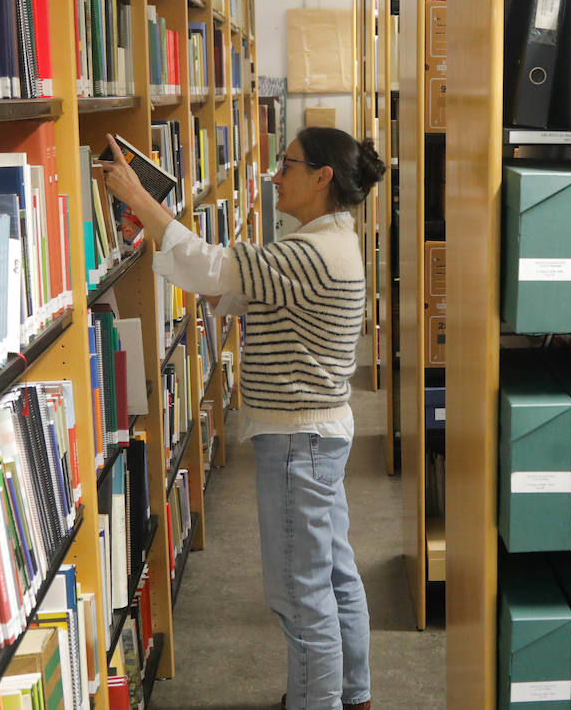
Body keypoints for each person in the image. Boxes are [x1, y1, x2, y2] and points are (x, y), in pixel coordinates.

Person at [100, 126, 385, 710]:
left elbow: (213, 270)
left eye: (288, 164)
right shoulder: (328, 244)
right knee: (332, 575)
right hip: (317, 433)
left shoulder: (309, 253)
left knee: (300, 592)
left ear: (322, 177)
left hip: (297, 439)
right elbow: (231, 285)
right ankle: (351, 695)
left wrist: (138, 198)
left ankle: (320, 703)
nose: (275, 176)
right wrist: (199, 263)